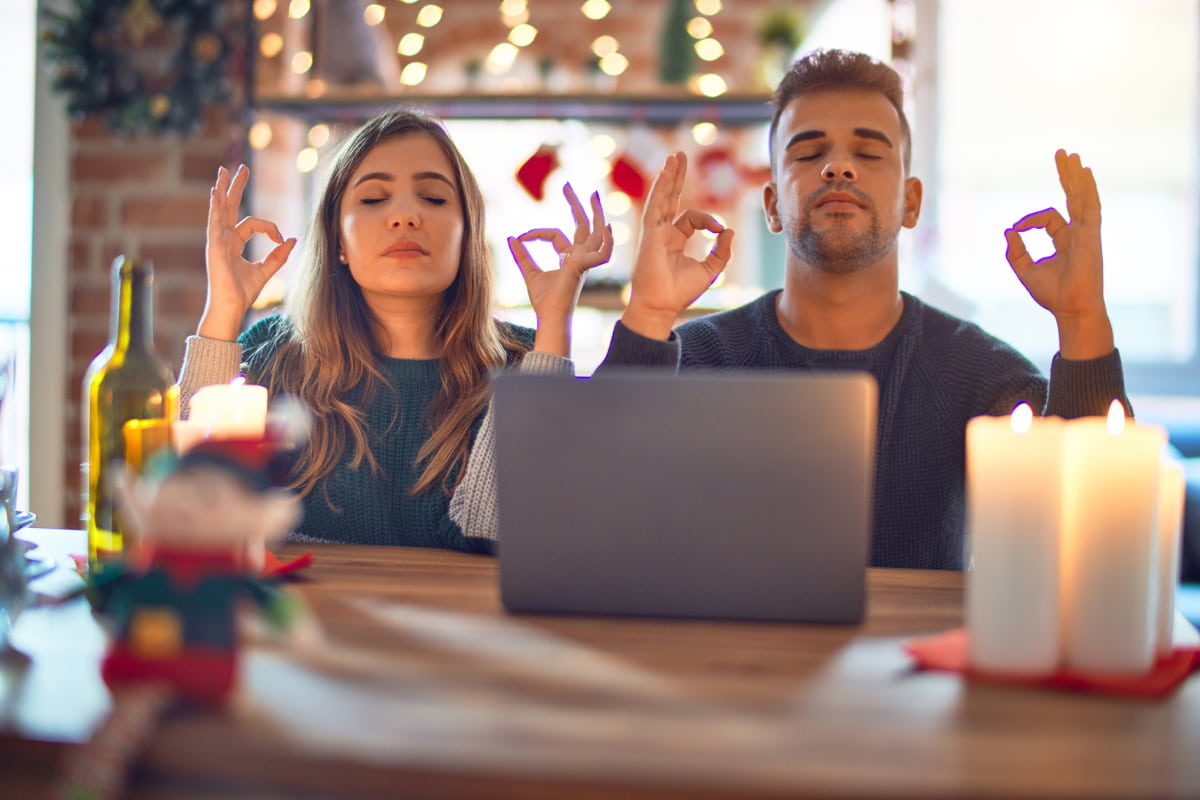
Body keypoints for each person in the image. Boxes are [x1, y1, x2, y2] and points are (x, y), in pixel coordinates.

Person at [596, 49, 1130, 570]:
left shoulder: (985, 376)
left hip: (916, 661)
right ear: (772, 206)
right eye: (808, 153)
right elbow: (594, 507)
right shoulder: (696, 359)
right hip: (730, 657)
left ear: (912, 202)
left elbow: (1094, 537)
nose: (838, 167)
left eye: (869, 153)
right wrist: (646, 314)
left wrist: (1083, 321)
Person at [177, 106, 612, 552]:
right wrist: (224, 312)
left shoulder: (529, 365)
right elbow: (187, 509)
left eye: (434, 198)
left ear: (468, 234)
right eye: (372, 199)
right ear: (337, 239)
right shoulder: (271, 355)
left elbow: (507, 535)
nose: (405, 216)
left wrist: (554, 325)